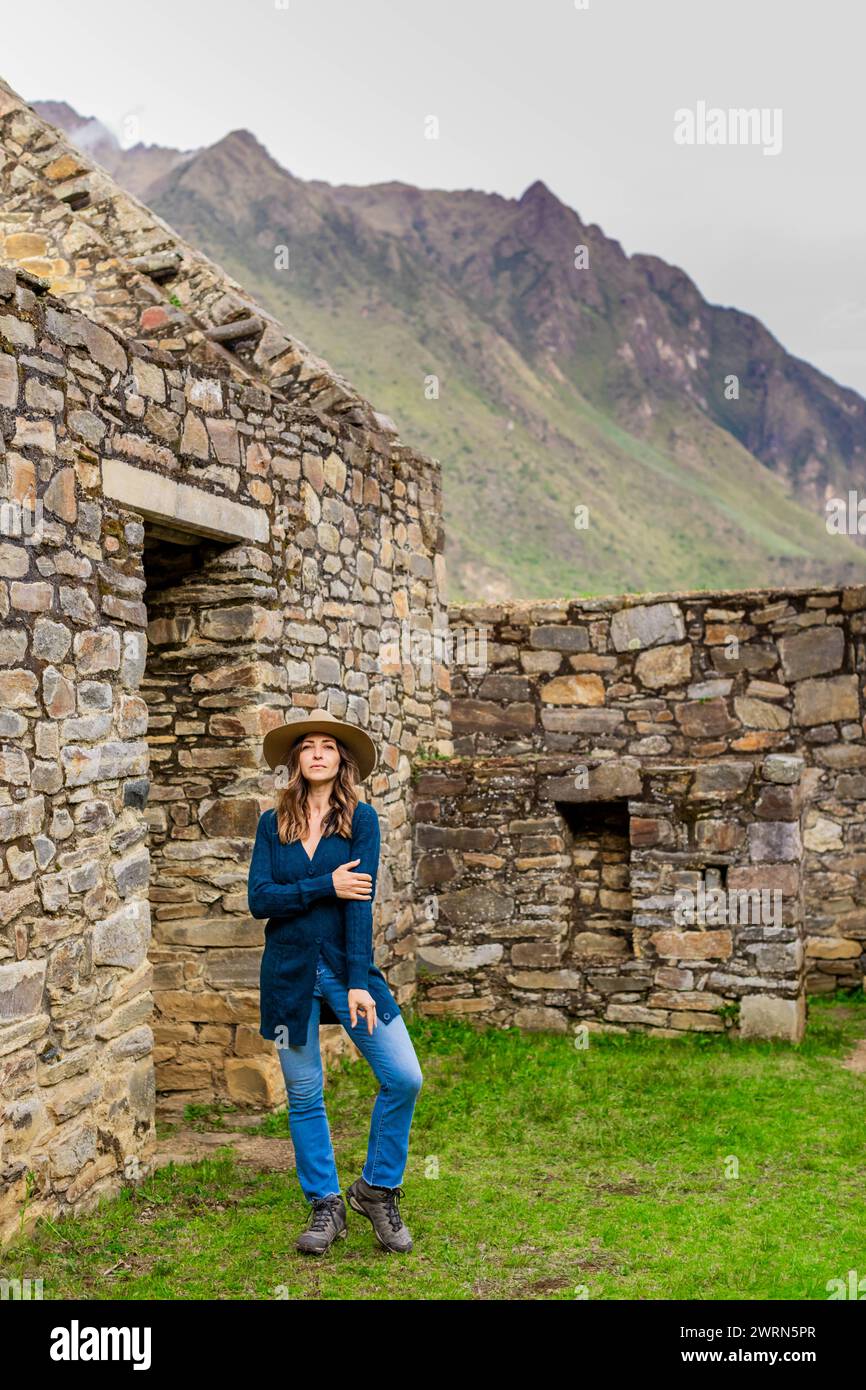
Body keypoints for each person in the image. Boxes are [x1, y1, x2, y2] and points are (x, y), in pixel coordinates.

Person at [247, 707, 423, 1256]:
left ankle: (377, 1189)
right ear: (297, 760)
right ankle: (325, 1204)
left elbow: (359, 903)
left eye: (328, 745)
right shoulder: (270, 824)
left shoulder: (361, 821)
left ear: (340, 759)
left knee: (404, 1076)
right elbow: (259, 899)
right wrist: (325, 883)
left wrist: (356, 980)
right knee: (303, 1094)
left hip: (349, 971)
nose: (318, 752)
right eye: (308, 746)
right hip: (285, 976)